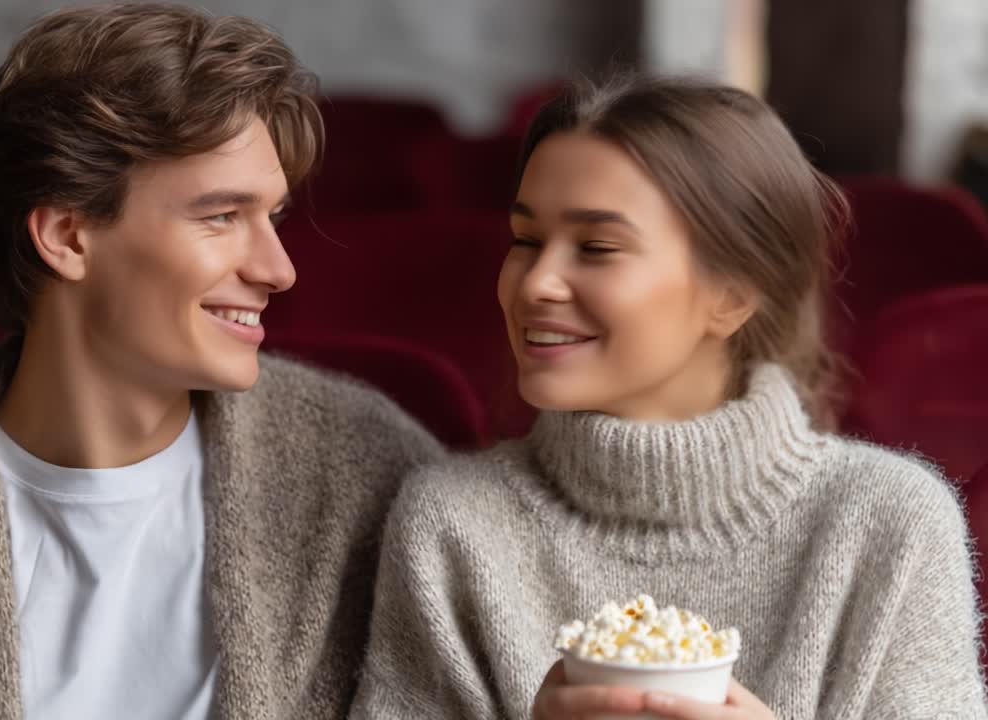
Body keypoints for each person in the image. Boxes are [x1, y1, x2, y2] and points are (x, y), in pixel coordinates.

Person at [0, 5, 443, 718]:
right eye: (221, 216)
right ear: (68, 236)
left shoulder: (364, 470)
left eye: (273, 217)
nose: (279, 268)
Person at [350, 75, 986, 719]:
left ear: (733, 294)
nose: (536, 282)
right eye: (526, 241)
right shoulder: (450, 521)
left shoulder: (891, 523)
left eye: (596, 247)